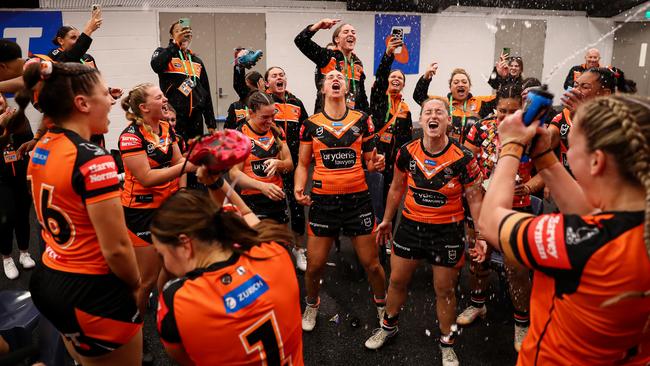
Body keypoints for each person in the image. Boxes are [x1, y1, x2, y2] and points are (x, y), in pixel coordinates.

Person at [479, 95, 650, 365]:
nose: (567, 152)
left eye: (572, 146)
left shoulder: (578, 243)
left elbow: (490, 221)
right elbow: (593, 217)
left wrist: (510, 146)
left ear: (597, 162)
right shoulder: (630, 229)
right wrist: (544, 157)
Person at [22, 61, 143, 365]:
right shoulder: (93, 158)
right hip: (91, 290)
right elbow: (116, 249)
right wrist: (136, 285)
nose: (113, 100)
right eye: (106, 94)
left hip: (49, 276)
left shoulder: (43, 144)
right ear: (82, 103)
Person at [364, 97, 485, 366]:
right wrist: (386, 220)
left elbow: (475, 199)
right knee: (396, 281)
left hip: (447, 232)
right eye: (428, 112)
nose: (433, 116)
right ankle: (388, 327)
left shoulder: (463, 158)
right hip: (409, 227)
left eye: (439, 112)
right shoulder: (406, 152)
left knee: (445, 291)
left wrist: (482, 235)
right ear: (421, 120)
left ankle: (447, 343)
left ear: (447, 120)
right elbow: (396, 188)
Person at [153, 188, 303, 364]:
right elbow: (246, 214)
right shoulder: (275, 252)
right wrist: (216, 183)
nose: (165, 263)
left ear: (185, 245)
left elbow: (186, 360)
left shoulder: (176, 301)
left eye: (162, 254)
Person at [295, 69, 386, 332]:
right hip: (324, 203)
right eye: (330, 78)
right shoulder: (310, 124)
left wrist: (377, 163)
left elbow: (371, 162)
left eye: (340, 78)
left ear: (347, 89)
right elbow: (302, 163)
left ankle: (382, 306)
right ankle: (312, 304)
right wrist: (299, 187)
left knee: (372, 264)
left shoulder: (363, 120)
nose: (335, 79)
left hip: (358, 201)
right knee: (314, 267)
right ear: (323, 89)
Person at [458, 84, 533, 351]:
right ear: (495, 108)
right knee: (478, 259)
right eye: (502, 111)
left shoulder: (531, 132)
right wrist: (476, 187)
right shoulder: (480, 128)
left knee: (516, 268)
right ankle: (478, 304)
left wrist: (528, 186)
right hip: (482, 205)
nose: (506, 117)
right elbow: (466, 163)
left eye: (513, 111)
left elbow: (543, 171)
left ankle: (521, 322)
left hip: (516, 208)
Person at [119, 83, 195, 299]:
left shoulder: (165, 127)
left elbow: (178, 160)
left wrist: (182, 190)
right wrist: (187, 166)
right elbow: (147, 178)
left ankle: (164, 310)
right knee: (146, 280)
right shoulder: (131, 137)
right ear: (144, 107)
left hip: (167, 205)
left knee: (172, 268)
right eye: (159, 97)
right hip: (141, 211)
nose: (164, 100)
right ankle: (138, 328)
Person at [49, 11, 123, 148]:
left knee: (98, 152)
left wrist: (108, 92)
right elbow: (69, 60)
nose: (77, 41)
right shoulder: (55, 57)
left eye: (79, 38)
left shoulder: (88, 58)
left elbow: (93, 82)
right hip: (73, 117)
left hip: (92, 115)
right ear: (60, 41)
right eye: (73, 38)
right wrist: (88, 30)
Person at [264, 66, 310, 270]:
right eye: (274, 75)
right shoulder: (262, 103)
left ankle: (299, 249)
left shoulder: (296, 103)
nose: (279, 77)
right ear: (267, 83)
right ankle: (273, 251)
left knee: (297, 208)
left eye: (282, 74)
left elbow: (307, 130)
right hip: (269, 165)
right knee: (272, 209)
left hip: (294, 166)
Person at [229, 91, 293, 225]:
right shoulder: (240, 135)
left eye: (272, 115)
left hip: (276, 196)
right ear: (251, 113)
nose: (269, 121)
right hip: (251, 200)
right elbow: (234, 174)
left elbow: (289, 164)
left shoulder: (277, 131)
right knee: (257, 243)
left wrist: (279, 164)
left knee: (281, 243)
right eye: (264, 117)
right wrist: (262, 186)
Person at [151, 20, 216, 142]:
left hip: (196, 119)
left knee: (195, 155)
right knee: (177, 155)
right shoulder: (163, 53)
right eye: (178, 31)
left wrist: (211, 122)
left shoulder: (197, 61)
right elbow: (156, 65)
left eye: (185, 32)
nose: (182, 34)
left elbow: (206, 92)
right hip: (174, 117)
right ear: (172, 36)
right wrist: (175, 45)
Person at [370, 36, 413, 219]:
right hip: (375, 156)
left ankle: (387, 237)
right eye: (392, 76)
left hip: (394, 162)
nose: (396, 79)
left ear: (403, 84)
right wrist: (388, 55)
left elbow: (407, 139)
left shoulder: (405, 108)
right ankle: (370, 238)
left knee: (392, 199)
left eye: (400, 78)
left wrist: (404, 163)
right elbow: (380, 77)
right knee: (373, 198)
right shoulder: (379, 97)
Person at [295, 18, 369, 113]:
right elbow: (300, 40)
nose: (351, 34)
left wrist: (368, 114)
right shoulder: (327, 56)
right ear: (337, 39)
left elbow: (361, 94)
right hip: (326, 115)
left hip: (351, 117)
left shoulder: (357, 63)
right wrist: (318, 26)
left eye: (353, 32)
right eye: (346, 32)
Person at [550, 67, 615, 173]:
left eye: (584, 87)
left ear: (605, 93)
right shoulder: (566, 114)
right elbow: (546, 143)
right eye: (575, 85)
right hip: (566, 185)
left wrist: (581, 116)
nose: (576, 91)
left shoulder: (615, 121)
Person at [0, 92, 35, 279]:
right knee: (7, 218)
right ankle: (6, 257)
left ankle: (24, 252)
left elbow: (28, 137)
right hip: (1, 179)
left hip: (20, 176)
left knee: (23, 215)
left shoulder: (15, 115)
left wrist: (14, 123)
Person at [413, 65, 495, 144]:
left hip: (472, 154)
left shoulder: (480, 102)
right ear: (450, 87)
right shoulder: (442, 103)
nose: (460, 84)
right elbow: (419, 96)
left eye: (464, 82)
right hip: (445, 152)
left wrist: (501, 76)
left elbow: (503, 98)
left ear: (469, 86)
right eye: (456, 82)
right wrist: (426, 78)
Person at [562, 48, 628, 92]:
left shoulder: (604, 72)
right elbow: (567, 86)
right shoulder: (576, 69)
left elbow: (611, 88)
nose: (592, 60)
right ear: (585, 58)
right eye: (590, 57)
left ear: (599, 58)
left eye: (595, 57)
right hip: (577, 99)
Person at [225, 63, 265, 130]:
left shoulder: (268, 104)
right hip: (242, 139)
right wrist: (246, 119)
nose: (246, 90)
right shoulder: (235, 106)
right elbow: (227, 129)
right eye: (245, 87)